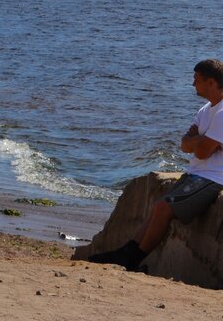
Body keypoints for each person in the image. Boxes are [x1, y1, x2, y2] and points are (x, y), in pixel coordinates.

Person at [89, 59, 223, 272]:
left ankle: (133, 258)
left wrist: (200, 142)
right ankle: (126, 252)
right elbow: (185, 144)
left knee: (164, 208)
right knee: (158, 206)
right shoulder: (207, 109)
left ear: (211, 82)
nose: (192, 84)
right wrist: (203, 140)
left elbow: (202, 150)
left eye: (196, 79)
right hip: (197, 172)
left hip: (214, 178)